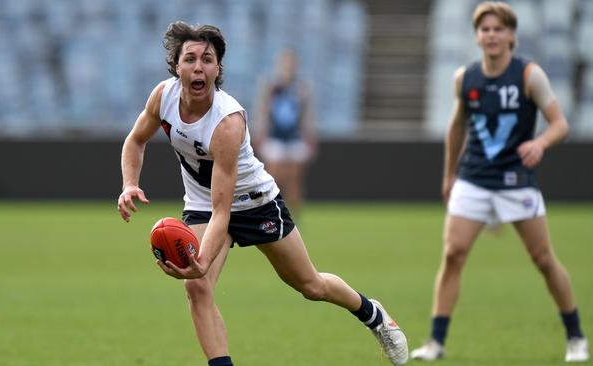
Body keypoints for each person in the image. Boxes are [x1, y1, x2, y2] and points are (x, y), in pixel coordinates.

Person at [117, 21, 408, 366]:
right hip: (202, 204)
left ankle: (373, 314)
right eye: (190, 58)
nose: (198, 66)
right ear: (176, 66)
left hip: (254, 203)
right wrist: (130, 183)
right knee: (197, 288)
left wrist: (202, 262)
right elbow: (135, 140)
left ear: (218, 68)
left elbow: (224, 212)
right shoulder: (163, 96)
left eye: (207, 59)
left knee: (310, 285)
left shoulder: (227, 122)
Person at [410, 2, 588, 363]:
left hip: (516, 181)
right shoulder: (466, 78)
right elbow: (456, 127)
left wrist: (540, 142)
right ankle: (436, 342)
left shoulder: (529, 75)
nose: (491, 35)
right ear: (477, 36)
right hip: (474, 179)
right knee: (453, 254)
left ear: (511, 36)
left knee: (542, 259)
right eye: (485, 30)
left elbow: (560, 124)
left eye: (498, 29)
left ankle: (575, 336)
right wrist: (449, 175)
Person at [251, 48, 317, 219]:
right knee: (273, 177)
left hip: (294, 138)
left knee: (294, 179)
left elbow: (307, 115)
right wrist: (260, 133)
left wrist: (309, 136)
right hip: (274, 137)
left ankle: (293, 218)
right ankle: (272, 213)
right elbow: (262, 110)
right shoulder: (271, 86)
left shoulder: (302, 86)